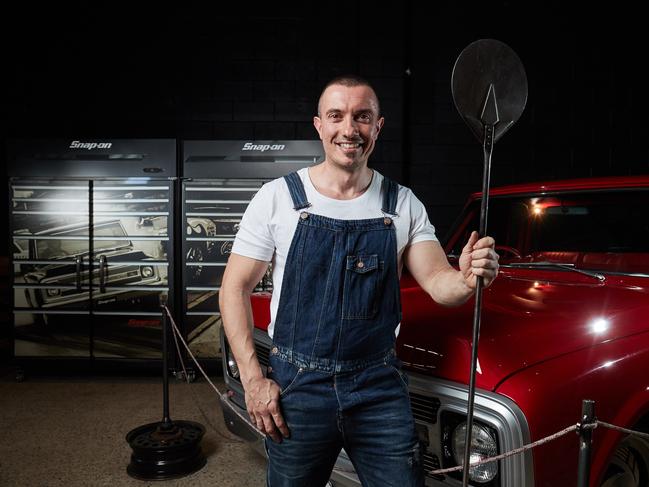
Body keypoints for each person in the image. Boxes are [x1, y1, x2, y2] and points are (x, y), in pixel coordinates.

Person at [219, 74, 499, 487]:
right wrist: (252, 378)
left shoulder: (402, 204)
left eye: (362, 117)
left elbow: (441, 283)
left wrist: (470, 278)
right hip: (298, 385)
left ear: (378, 126)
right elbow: (234, 288)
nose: (349, 129)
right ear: (319, 125)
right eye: (337, 116)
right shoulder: (278, 197)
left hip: (377, 387)